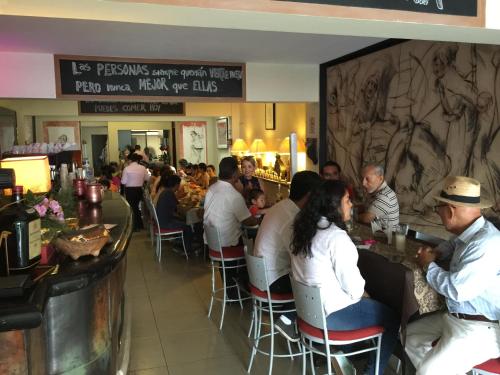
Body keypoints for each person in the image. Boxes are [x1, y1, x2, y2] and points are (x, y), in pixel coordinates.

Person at [290, 180, 399, 375]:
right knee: (391, 317)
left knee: (371, 304)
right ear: (334, 205)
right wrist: (367, 295)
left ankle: (345, 354)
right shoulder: (335, 237)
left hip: (308, 312)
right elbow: (355, 289)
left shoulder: (304, 230)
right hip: (330, 315)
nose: (351, 204)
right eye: (347, 200)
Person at [405, 176, 500, 375]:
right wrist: (438, 253)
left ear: (449, 210)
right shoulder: (472, 231)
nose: (438, 212)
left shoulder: (485, 243)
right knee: (409, 337)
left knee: (427, 371)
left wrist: (428, 264)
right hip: (455, 318)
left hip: (480, 328)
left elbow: (457, 290)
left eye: (438, 208)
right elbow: (453, 243)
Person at [203, 157, 260, 297]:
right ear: (235, 173)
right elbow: (249, 221)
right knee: (254, 248)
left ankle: (233, 289)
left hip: (212, 243)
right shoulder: (233, 194)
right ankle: (245, 287)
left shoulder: (213, 187)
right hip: (227, 244)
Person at [155, 175, 194, 254]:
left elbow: (176, 205)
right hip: (166, 223)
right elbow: (179, 209)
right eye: (179, 184)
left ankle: (180, 242)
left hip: (161, 220)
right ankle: (186, 249)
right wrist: (190, 205)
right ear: (176, 184)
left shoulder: (166, 191)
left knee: (183, 219)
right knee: (188, 226)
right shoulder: (169, 193)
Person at [358, 164, 399, 229]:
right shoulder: (374, 190)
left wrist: (352, 215)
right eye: (362, 178)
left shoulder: (385, 196)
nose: (363, 183)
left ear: (380, 178)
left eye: (367, 179)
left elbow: (367, 219)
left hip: (386, 237)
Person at [121, 153, 150, 231]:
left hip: (130, 190)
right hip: (139, 190)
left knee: (132, 208)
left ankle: (135, 226)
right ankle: (139, 225)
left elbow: (123, 182)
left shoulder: (127, 169)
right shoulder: (143, 168)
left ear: (130, 160)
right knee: (136, 207)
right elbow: (147, 178)